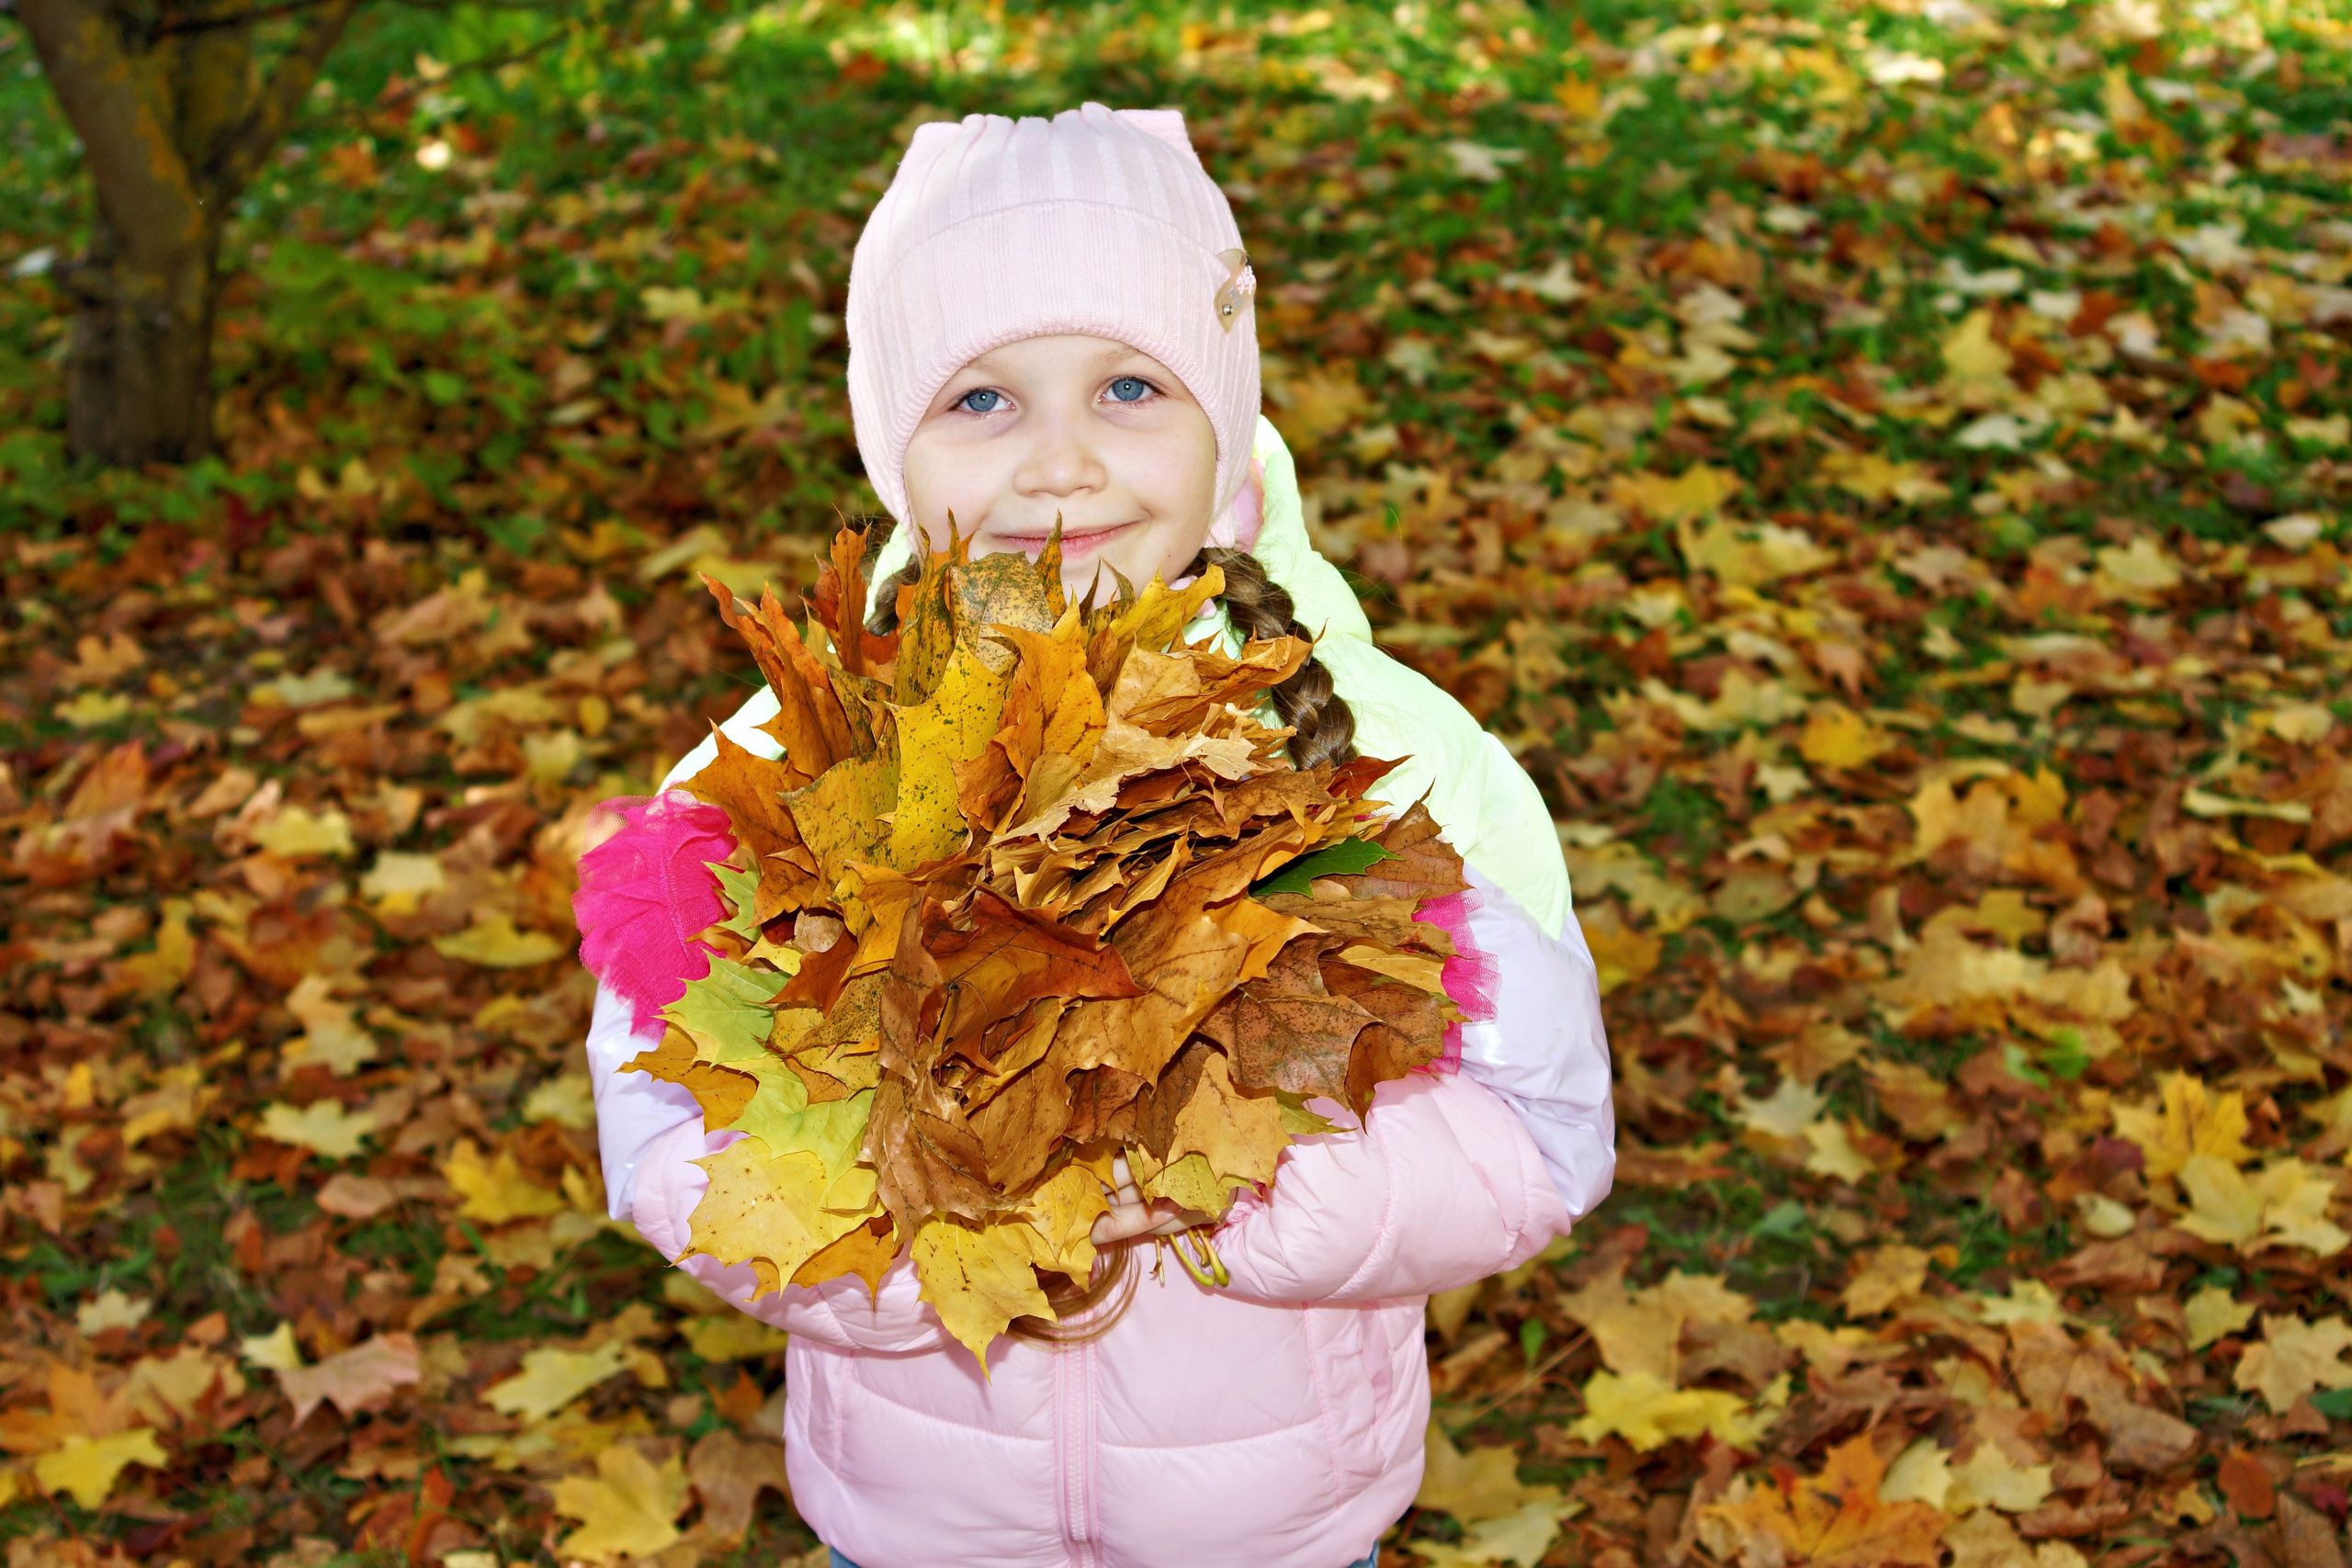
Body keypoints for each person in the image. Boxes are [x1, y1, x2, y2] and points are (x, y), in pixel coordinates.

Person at [578, 104, 1614, 1568]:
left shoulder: (1387, 765)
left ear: (1226, 417)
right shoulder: (786, 774)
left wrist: (1229, 1186)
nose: (1058, 467)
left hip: (1268, 1529)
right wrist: (940, 1238)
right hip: (919, 1524)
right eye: (982, 402)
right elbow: (667, 1130)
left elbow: (1543, 1136)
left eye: (1130, 387)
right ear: (892, 443)